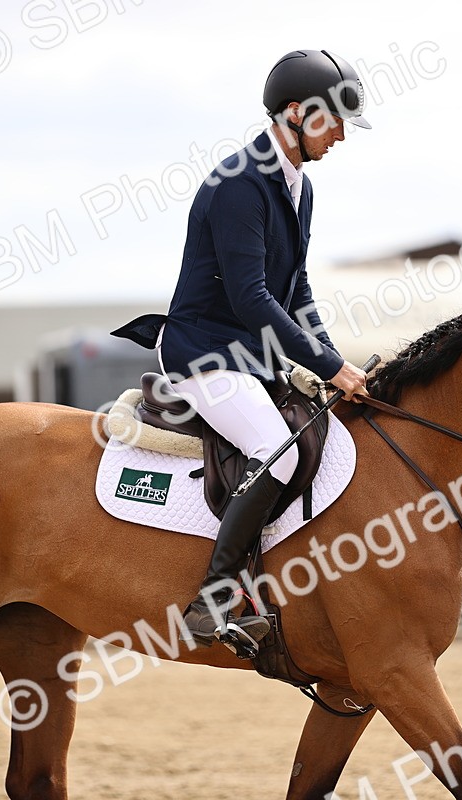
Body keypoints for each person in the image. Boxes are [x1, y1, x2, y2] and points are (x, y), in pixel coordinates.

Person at [113, 49, 372, 653]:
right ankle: (213, 598)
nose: (339, 135)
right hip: (204, 354)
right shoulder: (239, 183)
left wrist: (339, 365)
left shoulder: (298, 188)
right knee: (275, 453)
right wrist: (330, 366)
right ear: (295, 114)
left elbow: (297, 291)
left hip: (252, 358)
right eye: (332, 122)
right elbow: (253, 299)